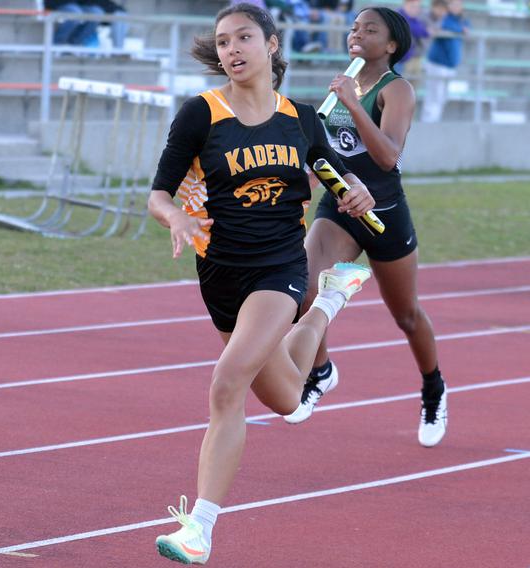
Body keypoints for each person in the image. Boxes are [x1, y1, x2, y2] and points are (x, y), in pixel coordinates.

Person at [147, 4, 375, 564]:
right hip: (220, 274)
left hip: (278, 269)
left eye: (244, 37)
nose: (232, 50)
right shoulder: (200, 113)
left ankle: (198, 530)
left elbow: (330, 173)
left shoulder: (298, 117)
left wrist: (355, 190)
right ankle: (331, 301)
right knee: (288, 400)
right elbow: (158, 193)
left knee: (227, 384)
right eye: (223, 42)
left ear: (271, 45)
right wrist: (176, 217)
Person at [283, 7, 450, 449]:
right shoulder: (342, 84)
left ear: (391, 44)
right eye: (354, 26)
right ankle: (320, 371)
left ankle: (433, 388)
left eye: (369, 29)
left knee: (407, 315)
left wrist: (354, 103)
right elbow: (325, 151)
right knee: (303, 291)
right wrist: (300, 180)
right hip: (340, 204)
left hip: (384, 212)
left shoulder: (397, 90)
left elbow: (388, 156)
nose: (356, 33)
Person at [421, 0, 470, 123]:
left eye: (459, 4)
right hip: (438, 64)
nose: (456, 6)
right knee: (434, 96)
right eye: (453, 4)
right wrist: (461, 29)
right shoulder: (444, 17)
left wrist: (463, 28)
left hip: (449, 66)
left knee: (442, 97)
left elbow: (467, 25)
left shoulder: (460, 18)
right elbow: (445, 25)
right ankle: (429, 123)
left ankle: (434, 122)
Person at [44, 0, 128, 49]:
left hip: (81, 4)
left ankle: (75, 44)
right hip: (58, 3)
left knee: (100, 13)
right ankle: (56, 44)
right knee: (76, 13)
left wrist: (115, 9)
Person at [397, 0, 431, 76]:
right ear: (405, 4)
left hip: (410, 56)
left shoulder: (414, 18)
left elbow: (420, 27)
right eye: (413, 6)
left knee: (413, 81)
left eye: (417, 7)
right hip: (399, 59)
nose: (416, 9)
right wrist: (426, 31)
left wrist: (425, 31)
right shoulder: (398, 15)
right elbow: (416, 29)